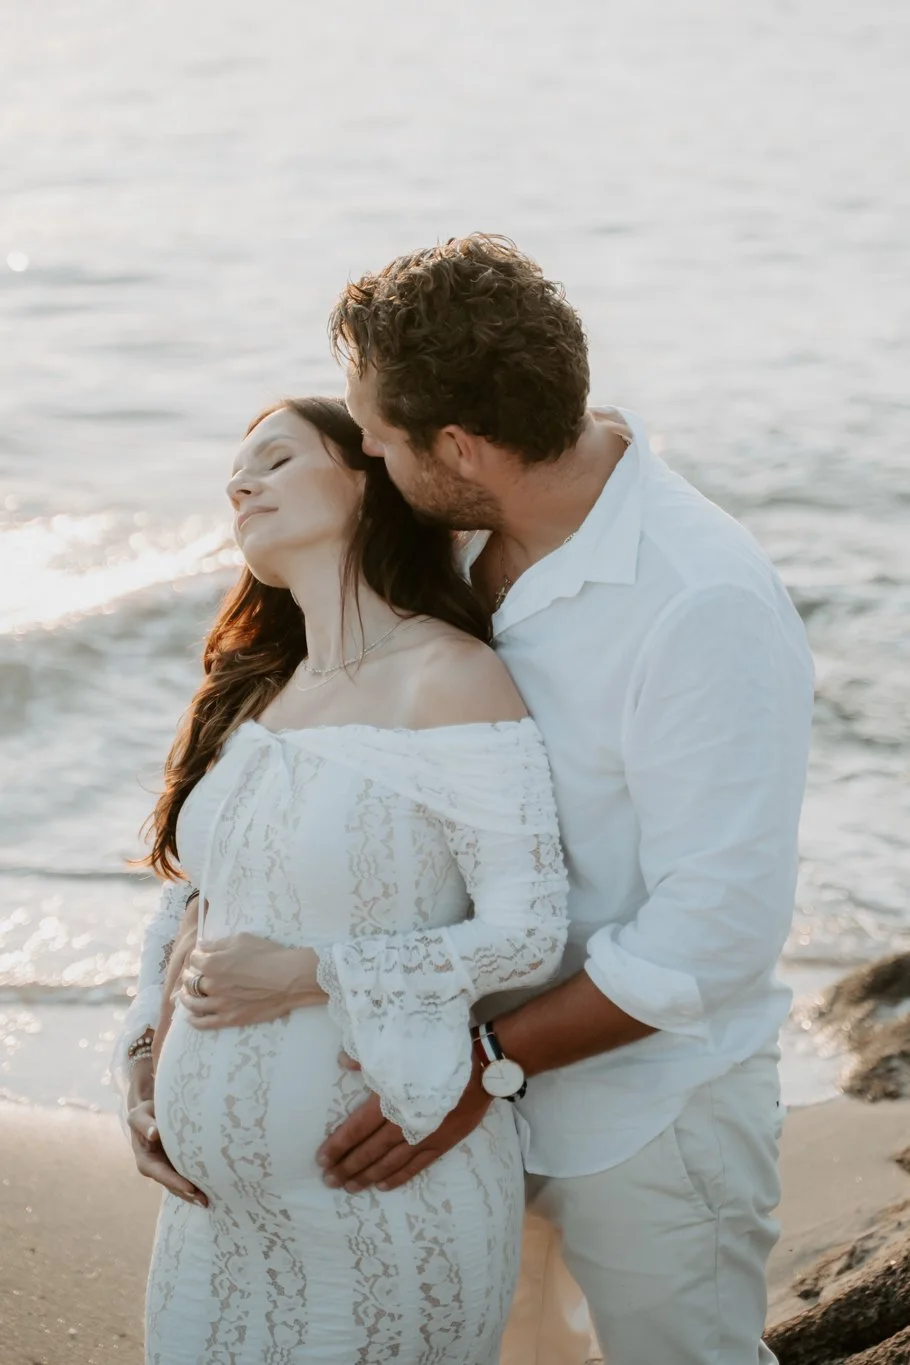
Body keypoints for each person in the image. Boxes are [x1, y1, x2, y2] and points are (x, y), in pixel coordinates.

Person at [122, 234, 815, 1365]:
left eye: (382, 442)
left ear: (460, 447)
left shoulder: (700, 602)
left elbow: (714, 935)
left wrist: (480, 1068)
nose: (374, 462)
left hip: (636, 1113)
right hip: (428, 1104)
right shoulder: (451, 548)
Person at [115, 393, 569, 1365]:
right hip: (208, 1228)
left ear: (369, 479)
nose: (241, 483)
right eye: (237, 471)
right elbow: (193, 900)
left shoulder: (447, 676)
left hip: (376, 1208)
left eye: (277, 460)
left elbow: (530, 927)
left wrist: (306, 973)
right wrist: (143, 1067)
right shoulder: (256, 695)